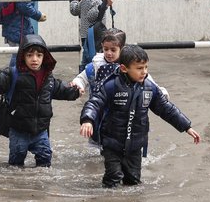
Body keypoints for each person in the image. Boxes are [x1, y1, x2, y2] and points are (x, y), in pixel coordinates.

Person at [79, 45, 201, 188]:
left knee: (133, 181)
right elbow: (94, 103)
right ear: (124, 68)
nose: (144, 72)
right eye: (139, 68)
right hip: (112, 143)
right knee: (113, 178)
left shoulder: (150, 88)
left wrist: (186, 126)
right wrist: (87, 120)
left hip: (136, 145)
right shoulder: (111, 85)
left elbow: (166, 109)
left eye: (146, 67)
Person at [0, 34, 80, 167]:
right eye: (30, 55)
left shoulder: (48, 78)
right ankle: (16, 185)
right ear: (22, 56)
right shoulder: (13, 75)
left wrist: (76, 91)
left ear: (44, 58)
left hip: (40, 131)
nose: (34, 59)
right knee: (16, 164)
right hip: (18, 130)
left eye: (39, 55)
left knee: (45, 160)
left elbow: (61, 90)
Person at [4, 0, 48, 67]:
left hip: (14, 26)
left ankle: (15, 75)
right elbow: (24, 5)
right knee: (18, 54)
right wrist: (38, 15)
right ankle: (13, 76)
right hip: (18, 27)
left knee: (19, 53)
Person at [70, 0, 115, 71]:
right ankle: (88, 78)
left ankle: (83, 78)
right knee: (93, 61)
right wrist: (105, 5)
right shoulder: (98, 1)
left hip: (85, 35)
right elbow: (91, 16)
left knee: (87, 58)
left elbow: (74, 10)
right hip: (94, 36)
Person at [70, 28, 126, 96]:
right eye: (106, 49)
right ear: (102, 45)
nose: (109, 53)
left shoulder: (127, 65)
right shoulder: (96, 64)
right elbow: (82, 78)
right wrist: (77, 85)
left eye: (113, 50)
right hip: (97, 103)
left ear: (122, 48)